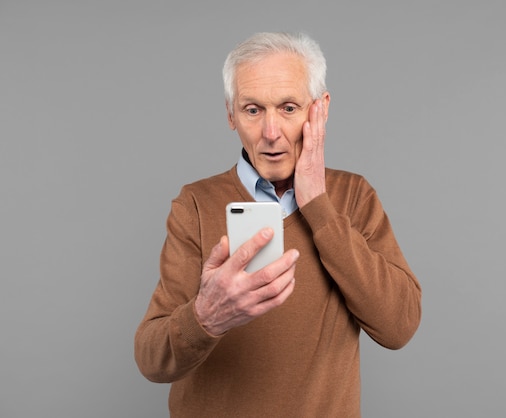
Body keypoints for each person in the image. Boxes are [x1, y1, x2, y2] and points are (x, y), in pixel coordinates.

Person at [134, 31, 422, 417]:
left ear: (319, 109)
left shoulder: (353, 196)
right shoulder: (196, 205)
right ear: (230, 114)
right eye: (253, 110)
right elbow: (151, 360)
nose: (271, 134)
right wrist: (206, 317)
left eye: (288, 108)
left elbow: (398, 326)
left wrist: (318, 205)